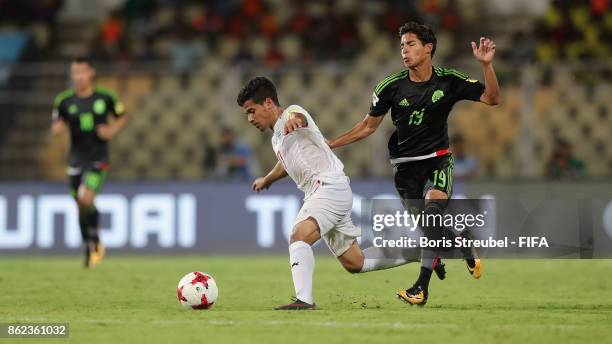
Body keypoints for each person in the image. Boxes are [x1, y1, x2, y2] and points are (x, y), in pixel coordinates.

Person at [328, 22, 501, 305]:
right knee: (434, 233)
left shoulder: (449, 80)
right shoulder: (390, 87)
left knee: (432, 215)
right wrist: (331, 143)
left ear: (428, 48)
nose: (404, 51)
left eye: (410, 45)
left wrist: (486, 66)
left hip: (438, 162)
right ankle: (462, 243)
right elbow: (367, 127)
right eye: (402, 46)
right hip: (405, 170)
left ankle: (420, 288)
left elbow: (493, 99)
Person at [236, 77, 445, 310]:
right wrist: (267, 179)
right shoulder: (277, 137)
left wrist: (295, 121)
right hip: (325, 192)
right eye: (247, 114)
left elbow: (300, 118)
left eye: (251, 111)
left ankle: (304, 300)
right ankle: (421, 251)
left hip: (328, 188)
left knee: (299, 235)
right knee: (355, 262)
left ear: (267, 103)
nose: (250, 118)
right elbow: (285, 163)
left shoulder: (291, 114)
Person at [51, 57, 128, 268]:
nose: (78, 76)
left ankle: (94, 241)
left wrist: (111, 130)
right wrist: (57, 129)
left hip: (98, 158)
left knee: (85, 198)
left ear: (91, 73)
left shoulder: (106, 97)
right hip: (76, 158)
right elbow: (57, 123)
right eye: (75, 72)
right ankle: (89, 243)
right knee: (80, 204)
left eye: (82, 71)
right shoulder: (64, 100)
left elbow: (122, 116)